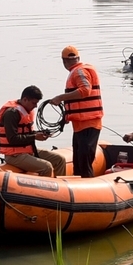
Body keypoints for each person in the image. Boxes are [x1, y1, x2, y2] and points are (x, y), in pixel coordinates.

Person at [45, 46, 102, 179]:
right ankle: (79, 188)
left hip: (89, 123)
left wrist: (60, 98)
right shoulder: (77, 71)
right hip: (81, 124)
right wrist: (67, 115)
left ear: (63, 61)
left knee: (84, 163)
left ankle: (88, 194)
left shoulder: (79, 72)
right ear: (78, 58)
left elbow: (85, 90)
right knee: (78, 162)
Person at [0, 86, 66, 177]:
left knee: (60, 159)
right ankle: (46, 190)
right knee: (46, 167)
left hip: (27, 150)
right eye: (34, 103)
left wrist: (39, 133)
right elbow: (13, 139)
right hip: (14, 155)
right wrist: (35, 136)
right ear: (25, 100)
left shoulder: (26, 111)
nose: (36, 106)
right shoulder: (11, 113)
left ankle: (61, 187)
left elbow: (26, 133)